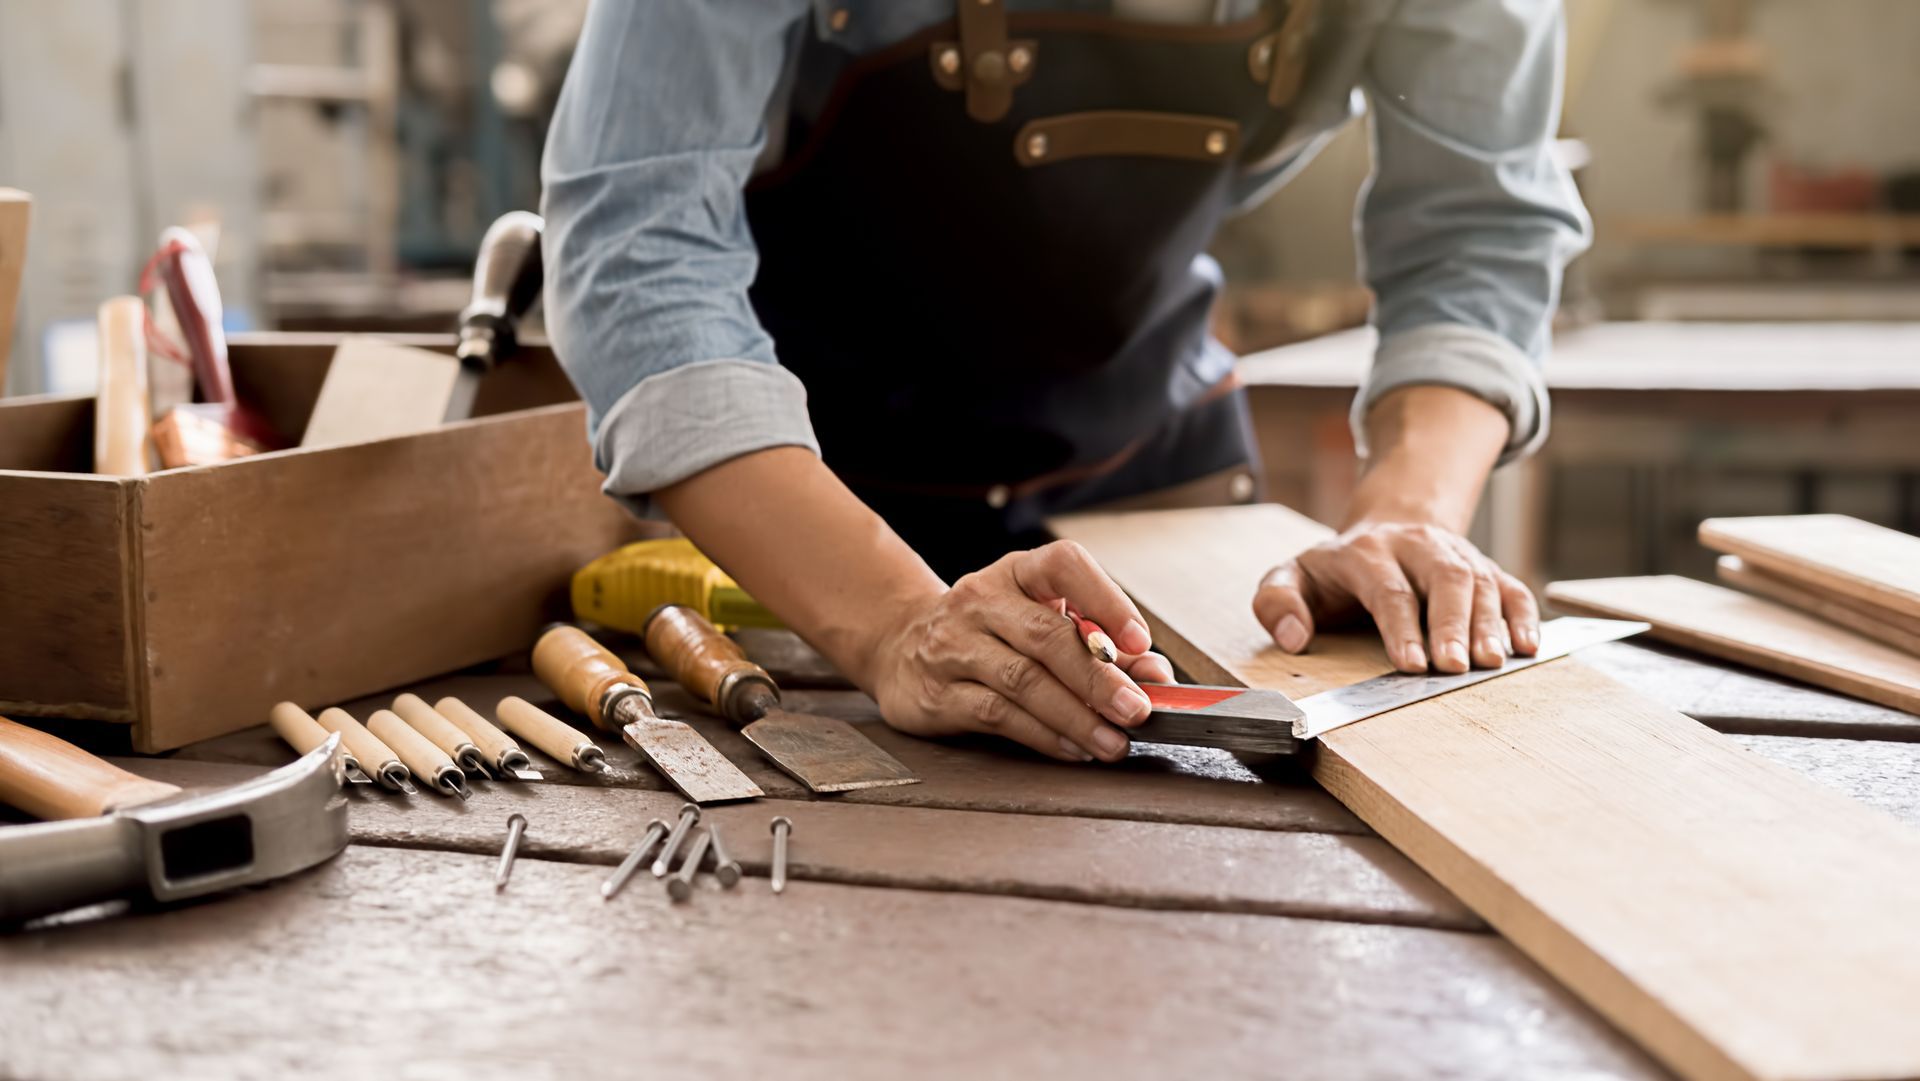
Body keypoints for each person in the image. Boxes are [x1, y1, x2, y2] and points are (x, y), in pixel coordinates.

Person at [540, 0, 1590, 764]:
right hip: (795, 517)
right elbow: (640, 242)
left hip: (1155, 470)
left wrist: (1402, 517)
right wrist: (892, 618)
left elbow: (1478, 231)